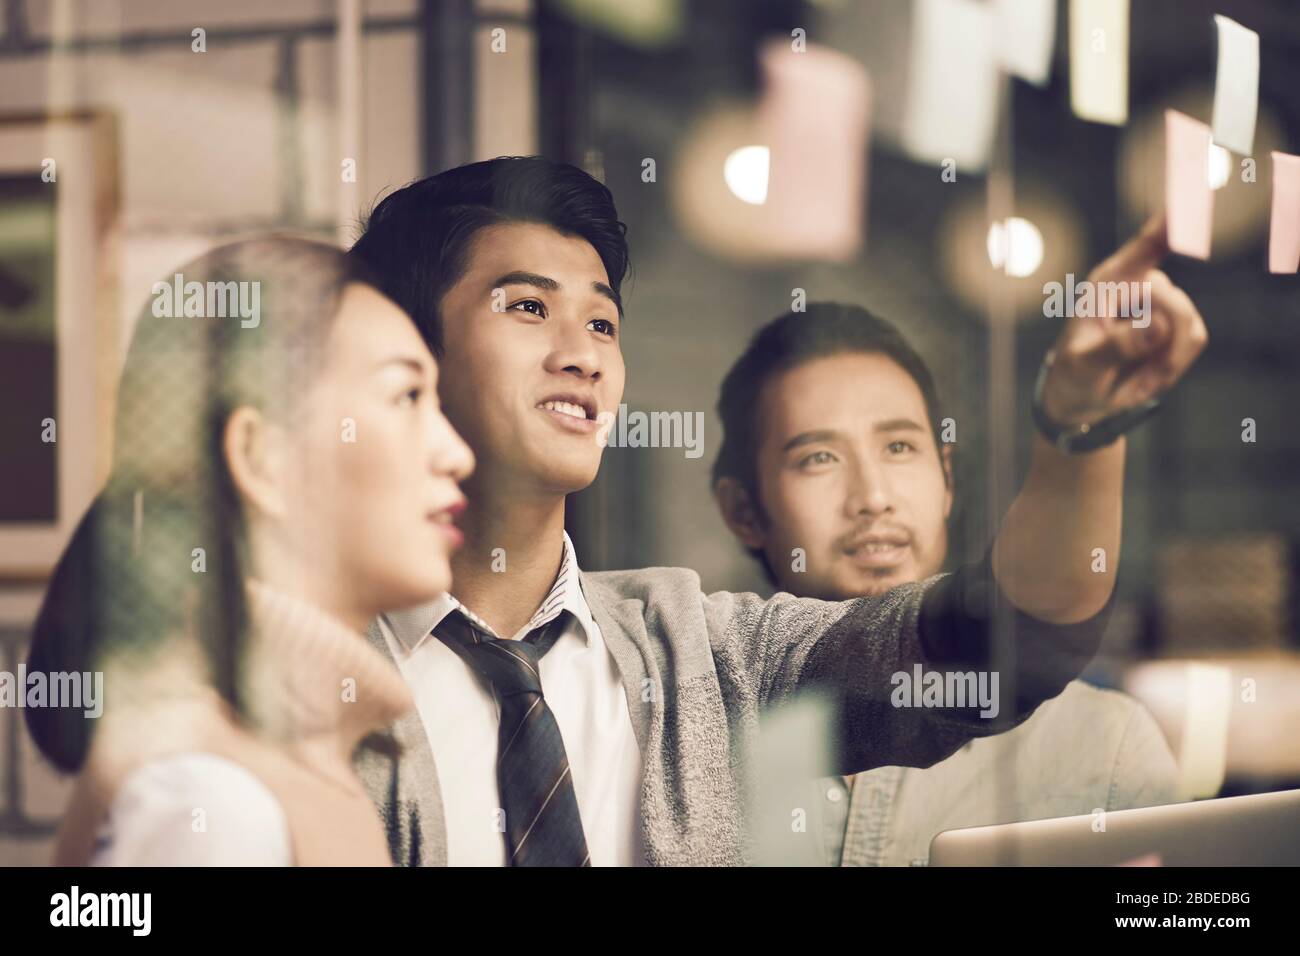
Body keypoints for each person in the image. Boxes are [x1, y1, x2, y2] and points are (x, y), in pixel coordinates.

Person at [347, 156, 1206, 866]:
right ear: (409, 350)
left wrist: (1080, 427)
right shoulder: (315, 674)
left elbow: (1003, 641)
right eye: (529, 307)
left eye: (603, 323)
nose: (582, 355)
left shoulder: (700, 655)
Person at [24, 237, 475, 865]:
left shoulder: (300, 769)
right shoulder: (213, 801)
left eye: (439, 404)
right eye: (406, 396)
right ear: (263, 458)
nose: (457, 454)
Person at [712, 302, 1181, 867]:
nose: (873, 496)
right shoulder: (691, 743)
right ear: (743, 511)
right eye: (818, 457)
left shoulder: (1102, 747)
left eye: (900, 447)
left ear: (948, 478)